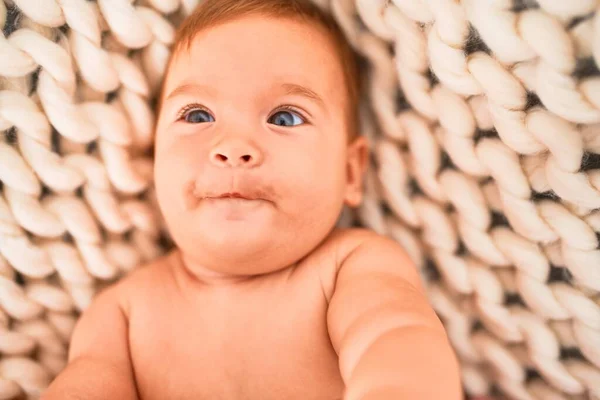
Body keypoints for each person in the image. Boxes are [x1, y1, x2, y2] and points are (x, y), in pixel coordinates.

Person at [42, 0, 462, 398]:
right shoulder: (122, 315)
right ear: (153, 155)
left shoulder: (348, 269)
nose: (233, 147)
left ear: (351, 171)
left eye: (284, 117)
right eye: (198, 115)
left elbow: (395, 337)